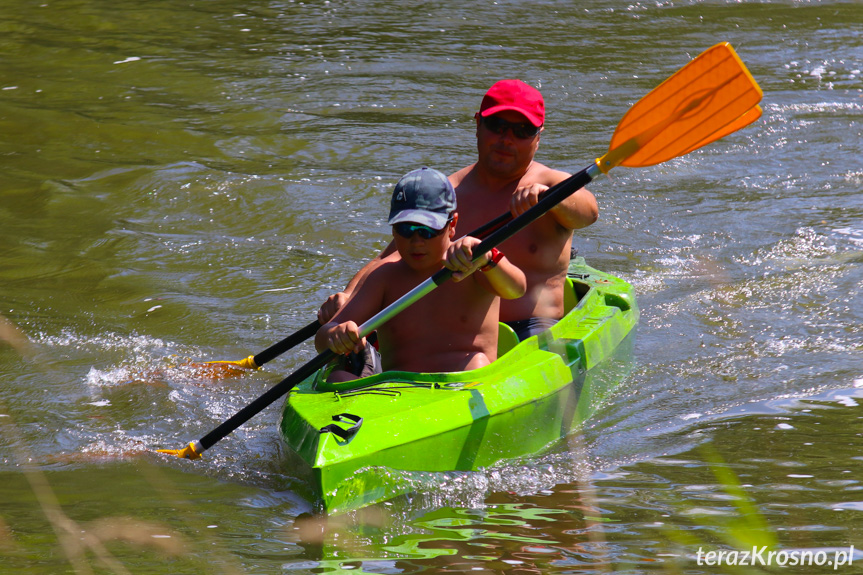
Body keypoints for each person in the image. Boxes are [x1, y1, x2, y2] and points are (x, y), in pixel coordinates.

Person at [319, 79, 598, 341]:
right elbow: (390, 257)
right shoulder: (447, 192)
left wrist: (551, 199)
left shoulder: (551, 184)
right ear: (478, 124)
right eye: (497, 125)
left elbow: (589, 212)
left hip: (531, 328)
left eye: (522, 131)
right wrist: (348, 297)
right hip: (458, 331)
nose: (506, 139)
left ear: (538, 136)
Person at [315, 167, 526, 380]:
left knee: (476, 364)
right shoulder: (384, 277)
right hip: (398, 391)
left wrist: (488, 259)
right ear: (392, 228)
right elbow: (323, 337)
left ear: (452, 224)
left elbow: (517, 289)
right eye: (406, 230)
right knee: (338, 378)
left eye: (428, 230)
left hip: (465, 383)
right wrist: (335, 334)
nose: (416, 242)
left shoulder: (473, 263)